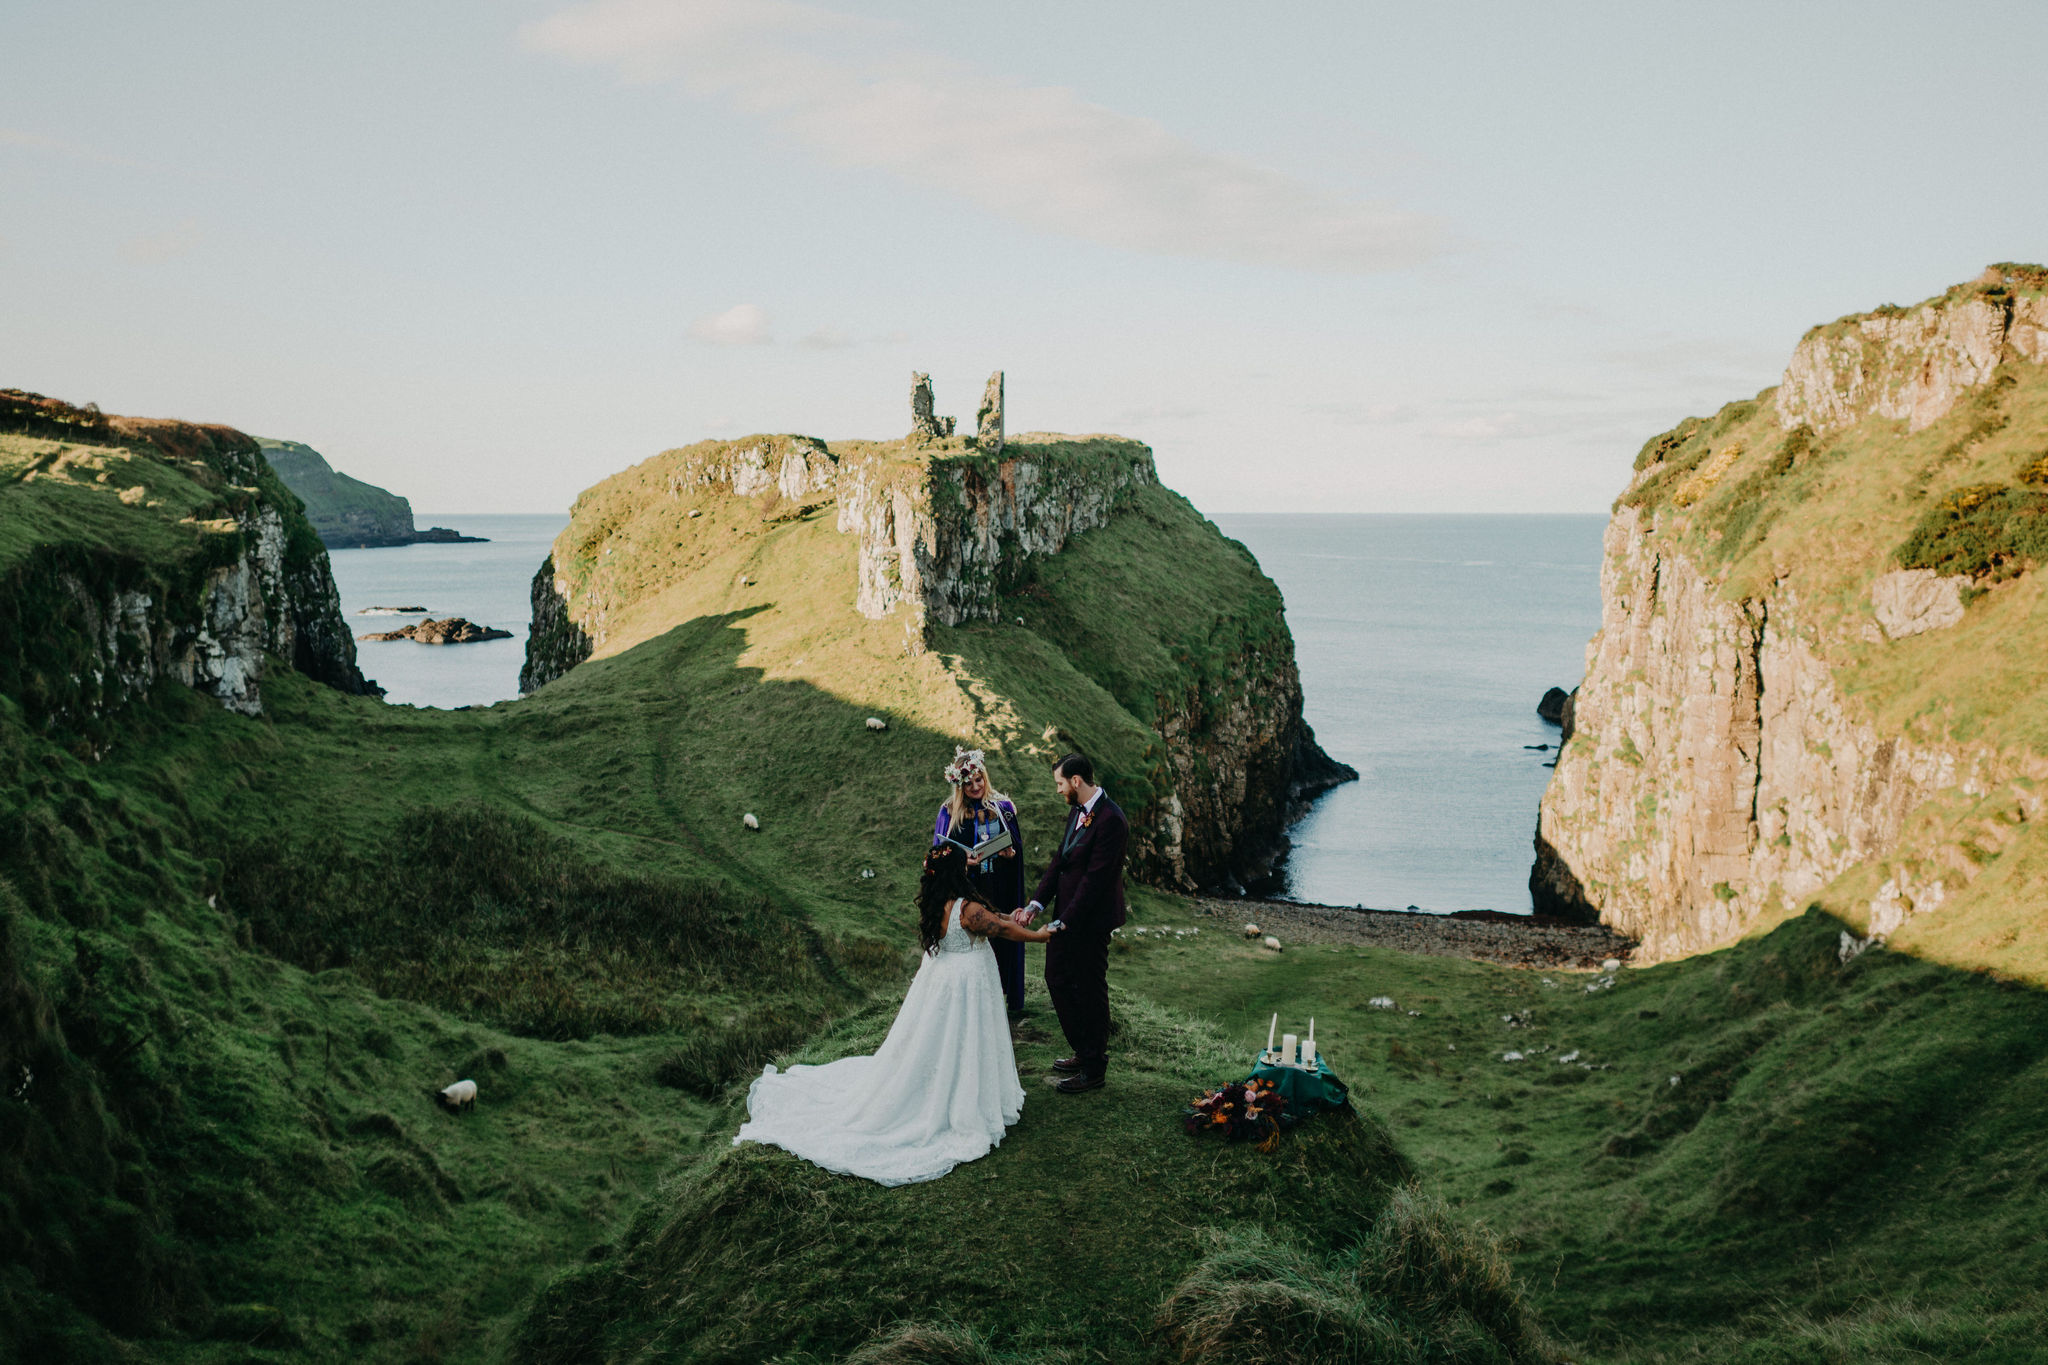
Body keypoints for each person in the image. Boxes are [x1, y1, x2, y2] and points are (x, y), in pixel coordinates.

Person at [733, 843, 1058, 1186]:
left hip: (944, 978)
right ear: (957, 872)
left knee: (941, 1039)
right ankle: (958, 1099)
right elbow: (999, 929)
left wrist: (1013, 914)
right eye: (965, 865)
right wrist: (1039, 936)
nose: (969, 868)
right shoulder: (967, 908)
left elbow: (996, 920)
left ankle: (943, 1084)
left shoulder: (940, 903)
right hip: (966, 983)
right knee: (964, 1037)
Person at [1017, 752, 1128, 1094]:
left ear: (1076, 781)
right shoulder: (1078, 811)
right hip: (1066, 916)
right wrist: (1036, 904)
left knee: (1090, 989)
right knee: (1057, 978)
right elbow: (1060, 860)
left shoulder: (1112, 820)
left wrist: (1064, 922)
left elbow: (1094, 881)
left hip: (1089, 922)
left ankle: (1094, 1068)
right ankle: (1084, 1050)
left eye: (1059, 783)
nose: (1058, 790)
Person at [932, 747, 1027, 1016]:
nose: (976, 786)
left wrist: (1011, 853)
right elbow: (939, 854)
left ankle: (1005, 997)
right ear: (959, 785)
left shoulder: (1003, 807)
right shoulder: (949, 812)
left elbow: (1016, 845)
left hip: (1000, 885)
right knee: (975, 939)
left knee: (1002, 935)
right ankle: (974, 999)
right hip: (968, 888)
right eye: (969, 782)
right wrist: (963, 861)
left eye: (979, 779)